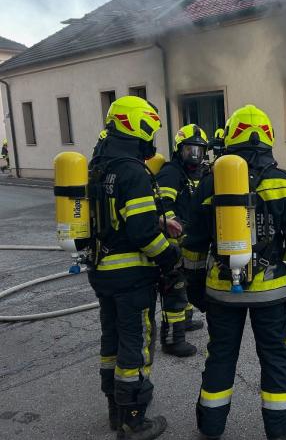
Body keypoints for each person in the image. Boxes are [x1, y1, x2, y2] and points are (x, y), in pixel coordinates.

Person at [182, 105, 286, 440]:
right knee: (275, 358)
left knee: (220, 357)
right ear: (268, 139)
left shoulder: (208, 183)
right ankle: (282, 432)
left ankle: (211, 427)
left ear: (230, 139)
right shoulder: (283, 182)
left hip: (220, 289)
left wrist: (191, 284)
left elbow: (194, 243)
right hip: (270, 291)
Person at [87, 95, 180, 439]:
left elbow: (118, 217)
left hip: (102, 271)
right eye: (150, 131)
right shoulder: (132, 170)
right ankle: (134, 420)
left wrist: (158, 219)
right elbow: (140, 232)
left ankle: (114, 411)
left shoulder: (101, 166)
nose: (152, 140)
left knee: (110, 341)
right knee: (135, 345)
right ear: (137, 126)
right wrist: (169, 259)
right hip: (131, 276)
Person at [155, 124, 208, 357]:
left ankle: (185, 321)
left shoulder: (200, 173)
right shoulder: (171, 172)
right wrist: (170, 221)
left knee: (186, 283)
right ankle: (172, 340)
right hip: (173, 242)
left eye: (199, 150)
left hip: (191, 240)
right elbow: (163, 206)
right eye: (189, 150)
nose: (194, 155)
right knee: (174, 288)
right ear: (179, 149)